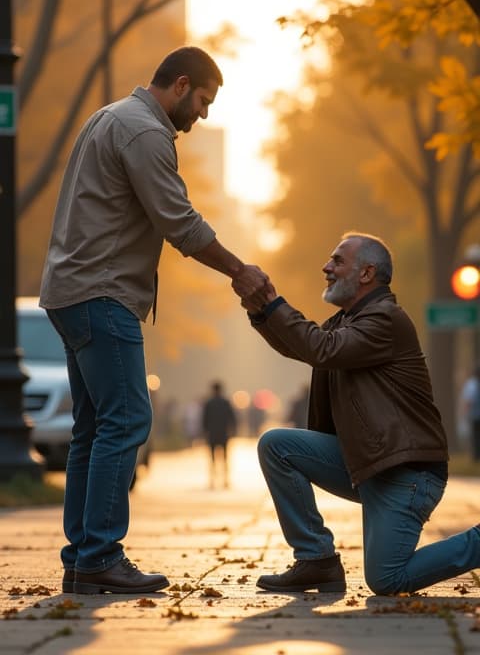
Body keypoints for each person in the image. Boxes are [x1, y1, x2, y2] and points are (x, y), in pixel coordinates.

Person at [39, 46, 269, 595]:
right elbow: (179, 222)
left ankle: (82, 557)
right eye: (203, 101)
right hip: (102, 293)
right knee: (126, 420)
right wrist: (241, 271)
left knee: (92, 429)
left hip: (71, 292)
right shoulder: (144, 132)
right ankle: (99, 557)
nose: (204, 115)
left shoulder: (109, 115)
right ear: (181, 84)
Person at [241, 232, 480, 595]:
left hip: (408, 473)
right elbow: (304, 347)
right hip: (371, 462)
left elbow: (321, 349)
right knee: (277, 446)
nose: (326, 267)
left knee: (386, 579)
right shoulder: (347, 322)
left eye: (337, 260)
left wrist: (273, 304)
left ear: (367, 273)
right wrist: (261, 309)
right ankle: (316, 560)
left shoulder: (385, 319)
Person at [202, 381, 237, 488]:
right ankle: (225, 480)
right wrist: (232, 431)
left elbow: (204, 420)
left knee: (212, 458)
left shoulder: (209, 403)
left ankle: (212, 480)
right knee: (225, 458)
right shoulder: (226, 402)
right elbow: (232, 418)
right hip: (224, 434)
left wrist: (205, 432)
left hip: (212, 434)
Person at [458, 364, 480, 460]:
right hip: (476, 415)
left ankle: (476, 457)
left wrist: (464, 412)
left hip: (474, 415)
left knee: (475, 437)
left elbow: (468, 400)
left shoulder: (472, 384)